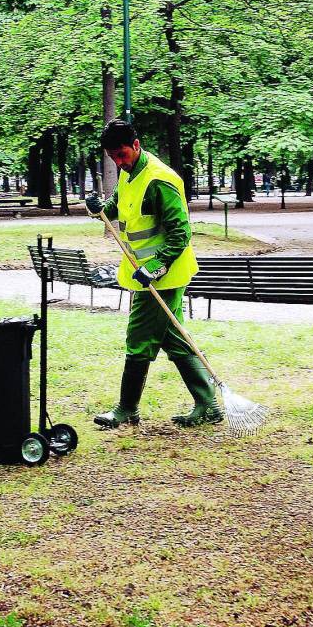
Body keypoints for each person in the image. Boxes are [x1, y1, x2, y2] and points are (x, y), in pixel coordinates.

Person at [85, 119, 223, 429]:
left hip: (164, 274)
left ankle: (126, 409)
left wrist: (156, 267)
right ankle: (208, 404)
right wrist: (99, 208)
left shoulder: (160, 179)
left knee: (138, 340)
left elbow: (180, 234)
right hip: (145, 273)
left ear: (136, 145)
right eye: (112, 157)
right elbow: (119, 208)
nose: (118, 162)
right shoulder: (128, 173)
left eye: (122, 154)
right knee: (174, 339)